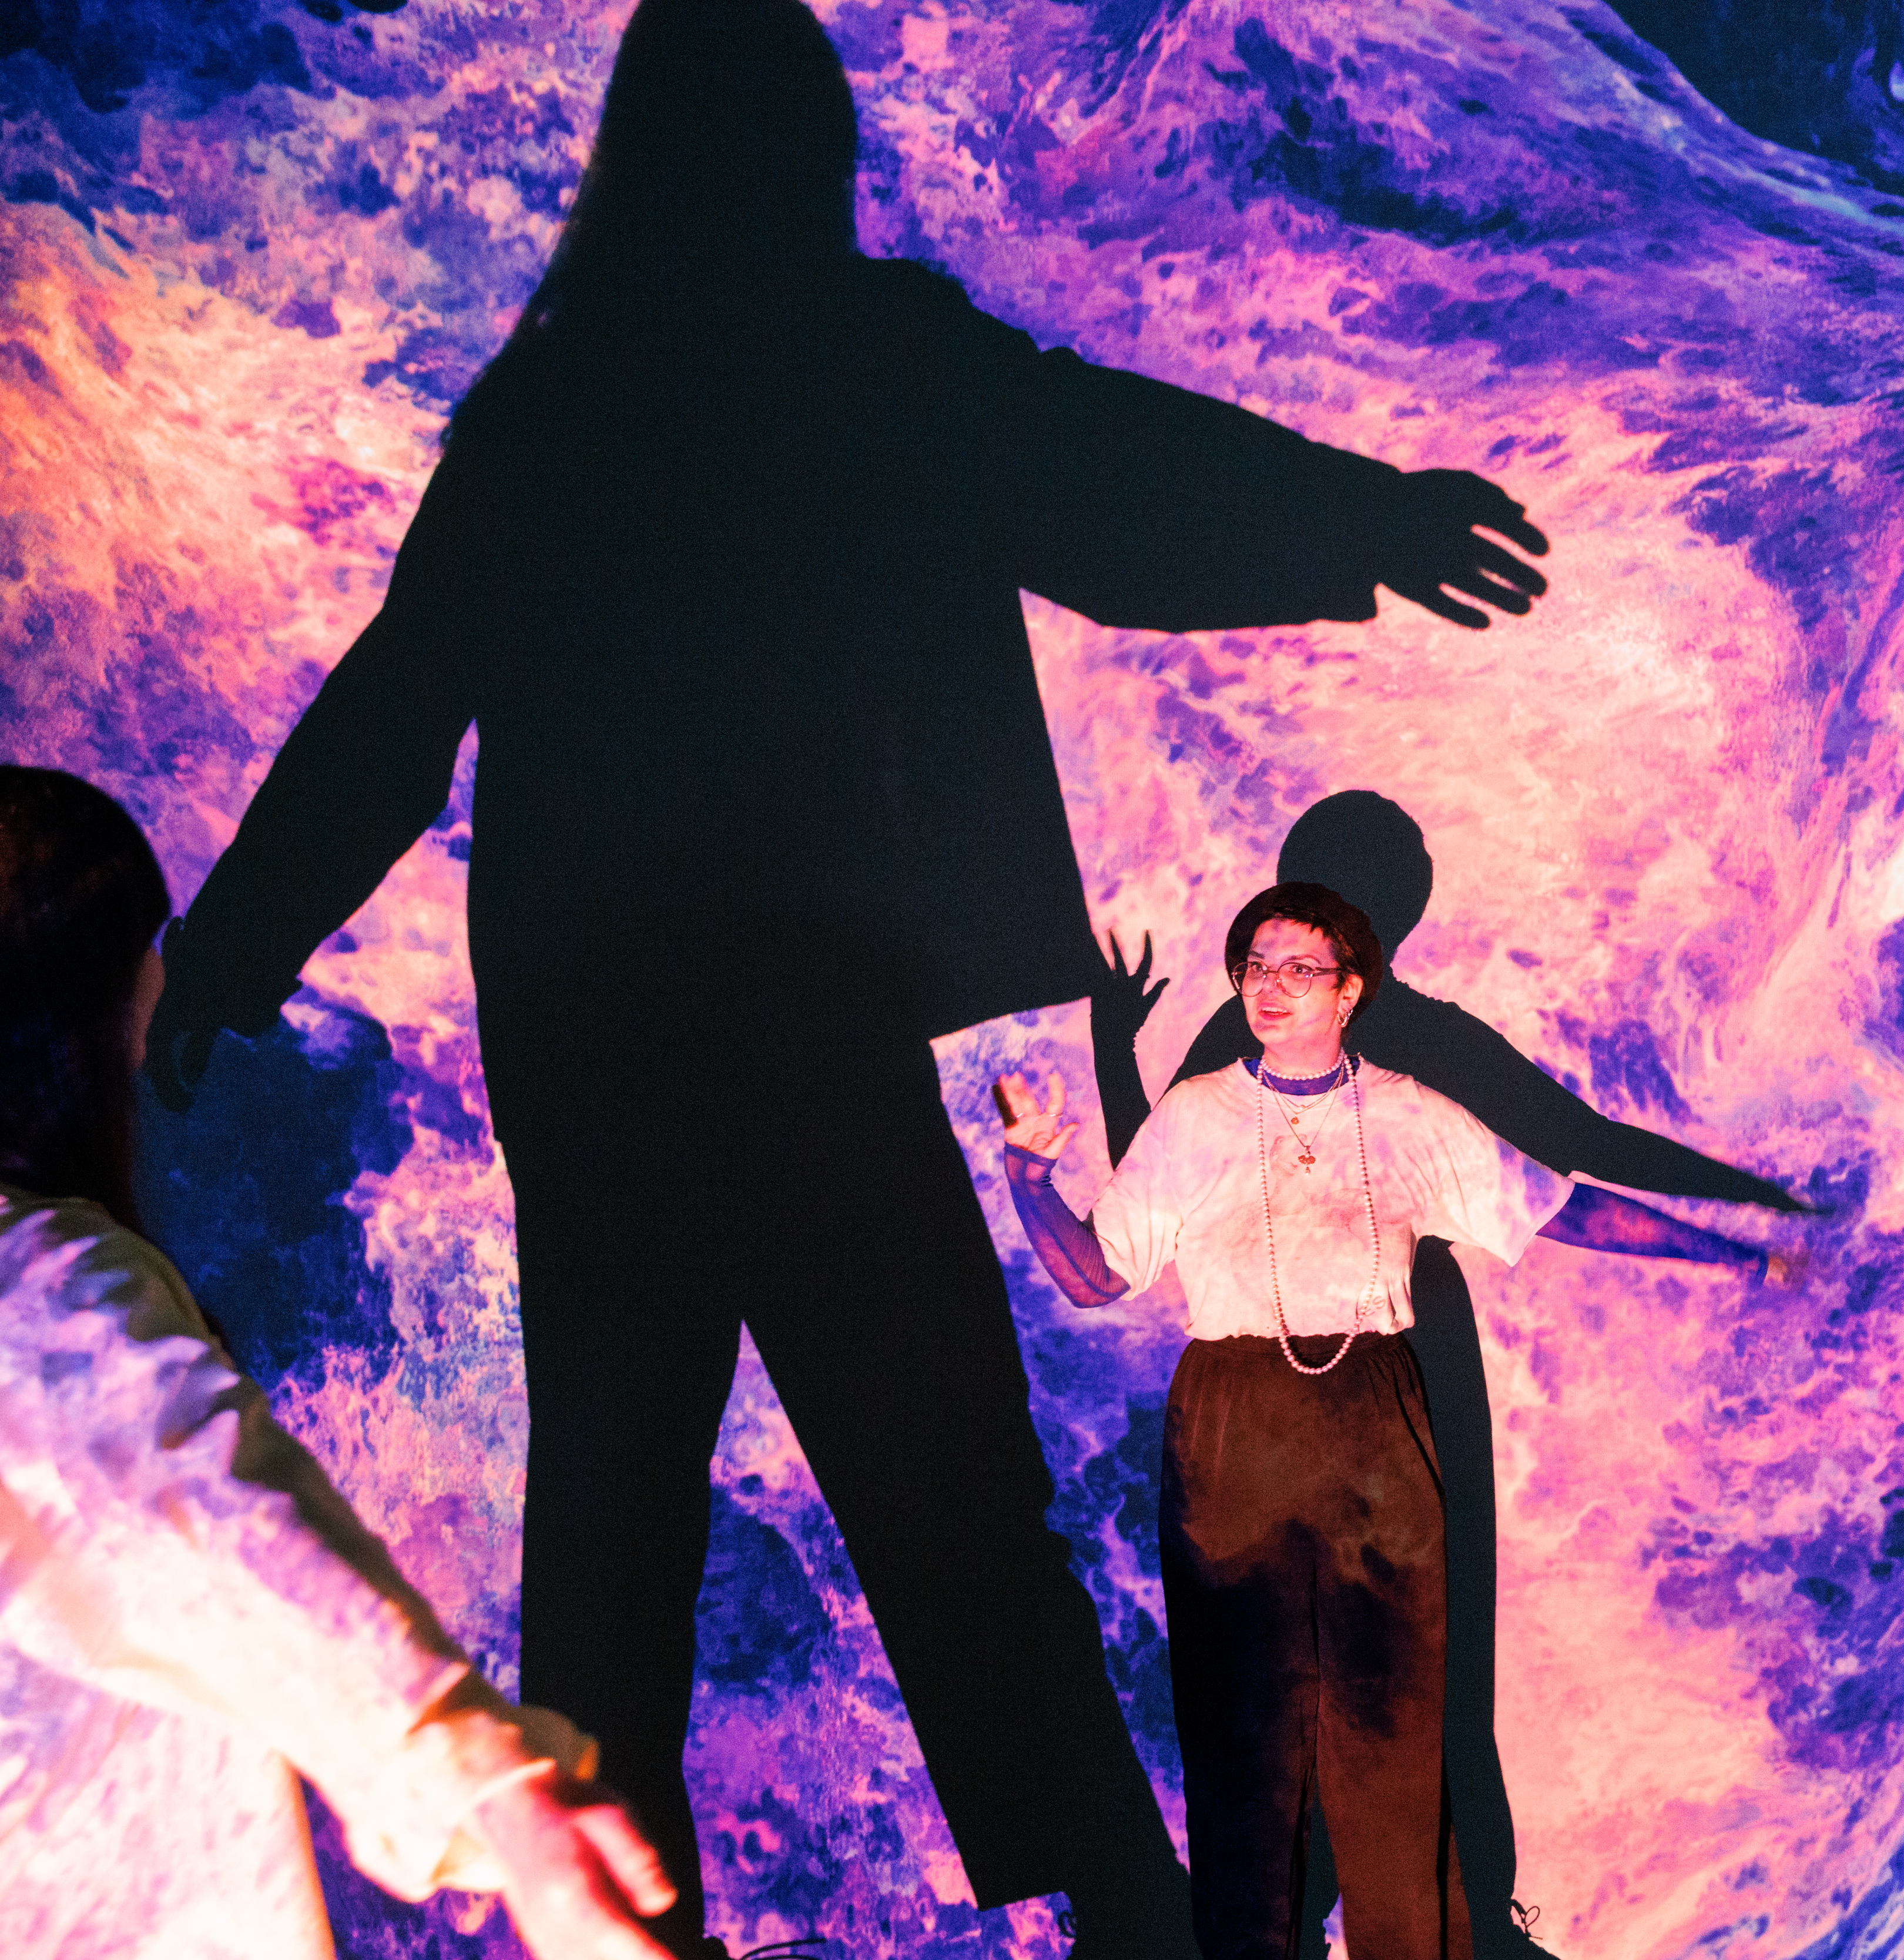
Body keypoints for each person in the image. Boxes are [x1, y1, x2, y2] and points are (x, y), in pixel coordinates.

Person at [139, 2, 1548, 1952]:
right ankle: (1139, 1924)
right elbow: (1106, 481)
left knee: (616, 1534)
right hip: (808, 1022)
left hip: (604, 1048)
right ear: (811, 153)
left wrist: (225, 949)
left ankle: (631, 1928)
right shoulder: (868, 359)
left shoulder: (556, 406)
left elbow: (398, 708)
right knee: (949, 1489)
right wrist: (1363, 522)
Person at [995, 883, 1792, 1960]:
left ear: (1351, 988)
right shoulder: (1196, 1115)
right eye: (1255, 968)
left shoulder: (1413, 1110)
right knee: (1244, 1747)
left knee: (1395, 1729)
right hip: (1233, 1439)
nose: (1270, 989)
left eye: (1298, 970)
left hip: (1376, 1426)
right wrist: (1027, 1178)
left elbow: (1561, 1202)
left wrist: (1727, 1249)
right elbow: (1095, 1275)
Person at [0, 765, 676, 1959]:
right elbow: (201, 1499)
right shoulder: (34, 1282)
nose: (161, 989)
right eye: (144, 949)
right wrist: (499, 1794)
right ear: (70, 1002)